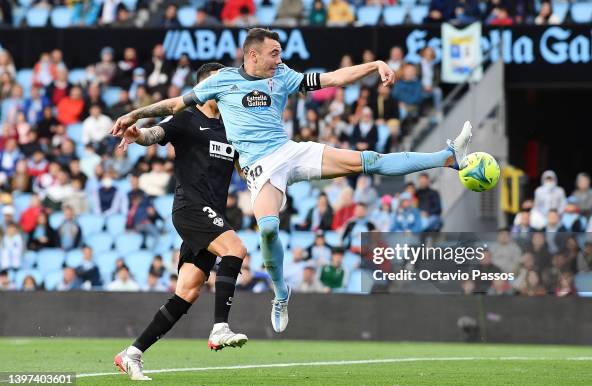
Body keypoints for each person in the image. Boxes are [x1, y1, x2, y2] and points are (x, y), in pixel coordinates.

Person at [111, 28, 475, 333]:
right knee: (268, 229)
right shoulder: (222, 81)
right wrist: (133, 114)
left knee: (369, 162)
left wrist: (375, 65)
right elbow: (175, 105)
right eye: (273, 53)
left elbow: (331, 78)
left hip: (290, 152)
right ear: (252, 56)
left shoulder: (283, 77)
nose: (279, 58)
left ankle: (446, 158)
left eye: (280, 52)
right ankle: (281, 293)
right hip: (261, 169)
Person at [113, 64, 248, 381]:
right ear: (203, 87)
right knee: (237, 249)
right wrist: (139, 134)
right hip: (190, 207)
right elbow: (155, 133)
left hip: (210, 214)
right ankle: (220, 328)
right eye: (219, 83)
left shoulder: (230, 125)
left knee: (188, 291)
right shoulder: (187, 117)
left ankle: (131, 354)